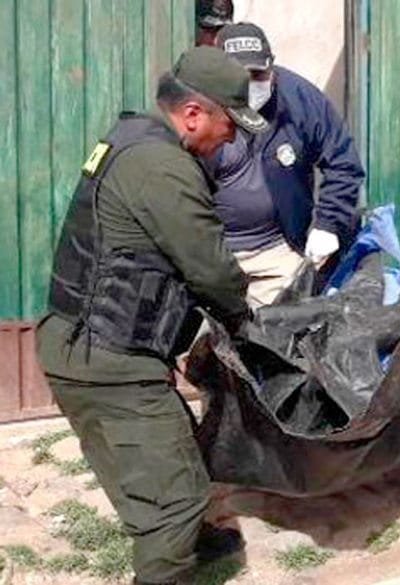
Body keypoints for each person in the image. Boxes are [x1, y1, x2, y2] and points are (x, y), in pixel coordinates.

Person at [35, 46, 268, 585]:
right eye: (229, 126)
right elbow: (211, 271)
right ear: (194, 114)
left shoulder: (131, 138)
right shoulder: (164, 167)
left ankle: (193, 539)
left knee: (176, 446)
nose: (230, 140)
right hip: (108, 360)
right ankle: (170, 552)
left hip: (86, 344)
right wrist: (246, 325)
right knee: (173, 504)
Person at [212, 21, 365, 307]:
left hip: (278, 248)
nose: (251, 84)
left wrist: (328, 224)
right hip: (213, 251)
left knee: (279, 326)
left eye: (258, 74)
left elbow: (343, 162)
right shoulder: (200, 103)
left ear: (272, 67)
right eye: (240, 77)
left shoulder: (300, 100)